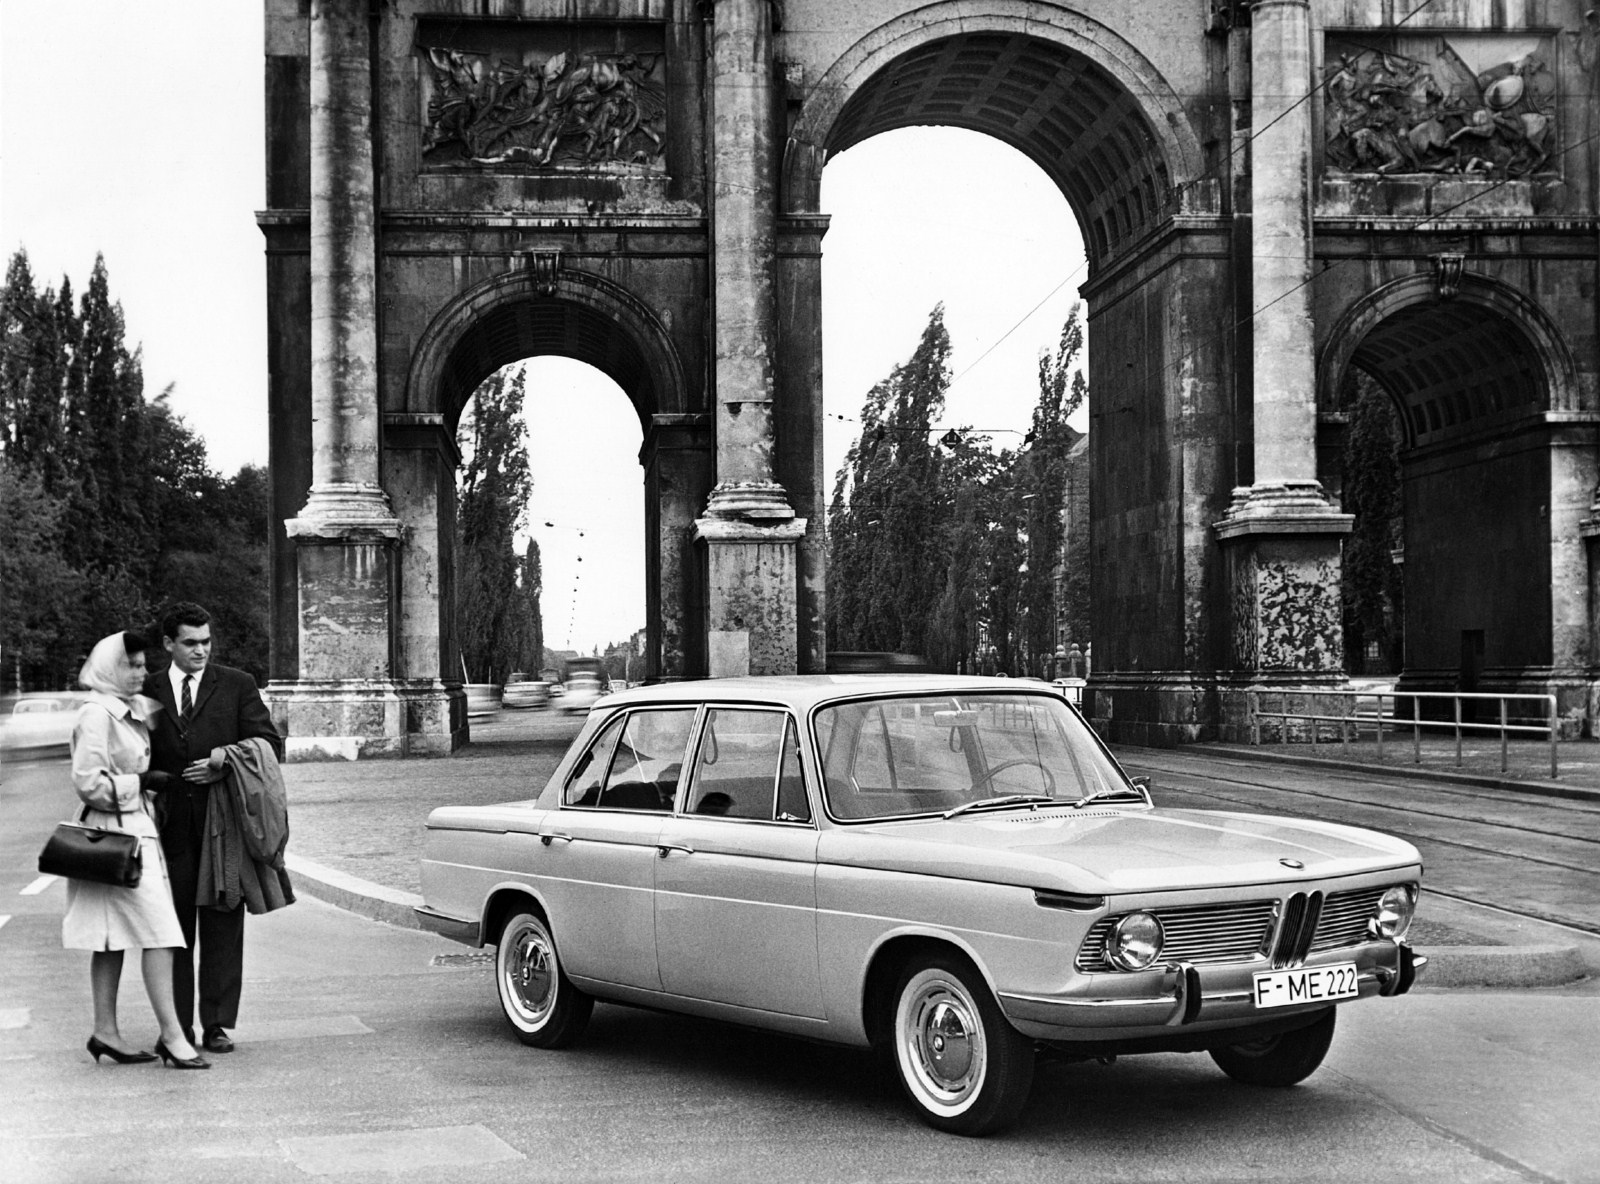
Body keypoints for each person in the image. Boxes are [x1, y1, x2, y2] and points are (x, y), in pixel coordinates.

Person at [64, 631, 210, 1070]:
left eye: (144, 665)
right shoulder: (97, 713)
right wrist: (140, 783)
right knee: (161, 932)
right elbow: (88, 781)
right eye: (131, 665)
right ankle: (172, 1036)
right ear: (109, 667)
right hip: (113, 835)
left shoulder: (128, 710)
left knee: (110, 938)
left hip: (130, 831)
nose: (141, 673)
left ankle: (105, 1031)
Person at [143, 602, 283, 1054]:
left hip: (224, 826)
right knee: (174, 929)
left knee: (224, 924)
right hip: (167, 828)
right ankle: (177, 1027)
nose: (201, 650)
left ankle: (216, 1025)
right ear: (169, 644)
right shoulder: (147, 689)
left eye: (206, 641)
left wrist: (225, 760)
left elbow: (269, 744)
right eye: (190, 643)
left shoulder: (237, 684)